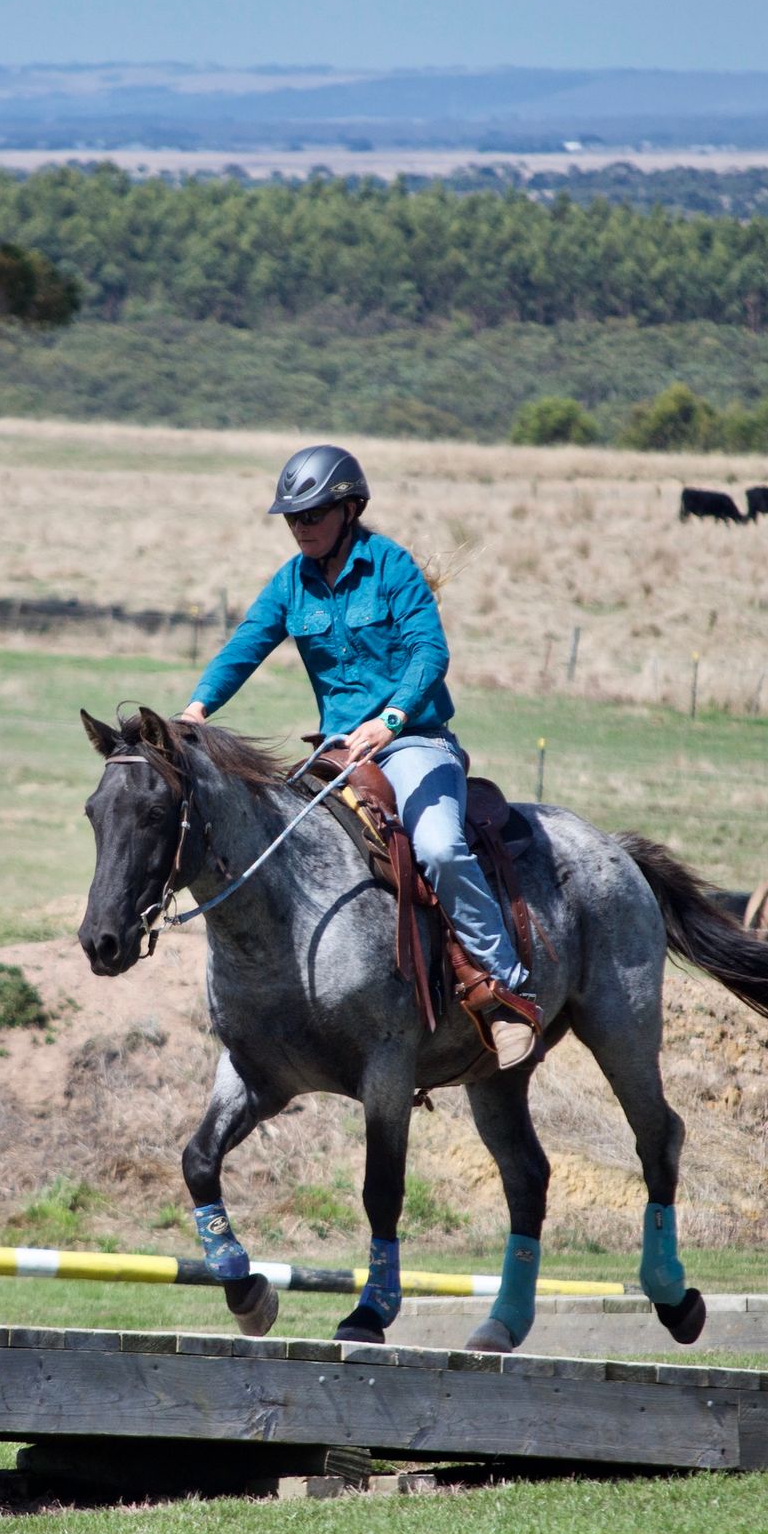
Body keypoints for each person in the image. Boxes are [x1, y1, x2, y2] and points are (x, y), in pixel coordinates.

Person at [179, 443, 537, 1069]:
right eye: (293, 517)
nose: (301, 526)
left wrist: (390, 719)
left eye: (313, 513)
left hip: (414, 743)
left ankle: (504, 990)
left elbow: (430, 653)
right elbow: (245, 645)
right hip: (336, 753)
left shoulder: (390, 567)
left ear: (350, 508)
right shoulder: (290, 583)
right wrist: (196, 710)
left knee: (438, 847)